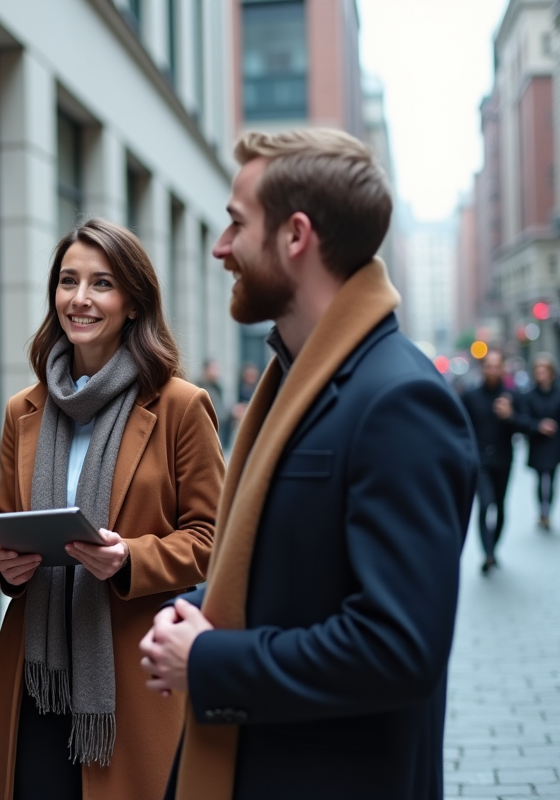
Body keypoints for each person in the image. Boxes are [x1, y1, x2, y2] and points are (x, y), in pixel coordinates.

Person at [139, 129, 478, 800]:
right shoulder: (300, 381)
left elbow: (397, 647)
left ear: (296, 236)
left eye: (236, 224)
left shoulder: (399, 400)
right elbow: (293, 572)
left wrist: (210, 660)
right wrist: (198, 609)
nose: (220, 247)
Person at [0, 218, 222, 800]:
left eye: (101, 283)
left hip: (132, 676)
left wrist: (129, 559)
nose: (79, 299)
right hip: (35, 675)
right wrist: (2, 562)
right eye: (67, 281)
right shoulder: (22, 410)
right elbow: (2, 520)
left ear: (133, 302)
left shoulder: (181, 407)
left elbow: (215, 540)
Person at [460, 350, 523, 573]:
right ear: (483, 368)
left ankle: (493, 549)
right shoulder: (471, 395)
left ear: (502, 368)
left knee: (500, 505)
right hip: (479, 461)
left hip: (504, 459)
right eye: (489, 366)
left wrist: (510, 416)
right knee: (485, 505)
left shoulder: (511, 395)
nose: (493, 370)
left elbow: (523, 426)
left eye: (497, 366)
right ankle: (487, 554)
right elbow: (460, 425)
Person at [517, 354, 559, 531]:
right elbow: (523, 418)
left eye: (544, 370)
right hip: (538, 442)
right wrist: (538, 426)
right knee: (541, 478)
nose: (540, 374)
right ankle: (542, 512)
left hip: (555, 442)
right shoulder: (529, 395)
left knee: (552, 477)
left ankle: (547, 511)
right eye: (538, 370)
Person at [196, 359, 229, 450]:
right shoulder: (198, 387)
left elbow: (221, 409)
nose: (216, 372)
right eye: (213, 369)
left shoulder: (218, 387)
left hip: (218, 429)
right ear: (206, 370)